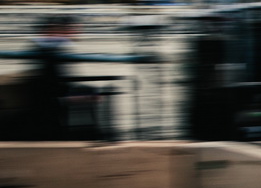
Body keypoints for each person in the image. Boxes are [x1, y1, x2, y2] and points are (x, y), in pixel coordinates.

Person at [0, 14, 149, 141]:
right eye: (70, 29)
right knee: (89, 99)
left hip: (48, 100)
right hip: (47, 104)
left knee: (88, 94)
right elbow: (51, 82)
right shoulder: (50, 48)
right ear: (54, 30)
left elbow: (53, 79)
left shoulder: (47, 47)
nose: (75, 33)